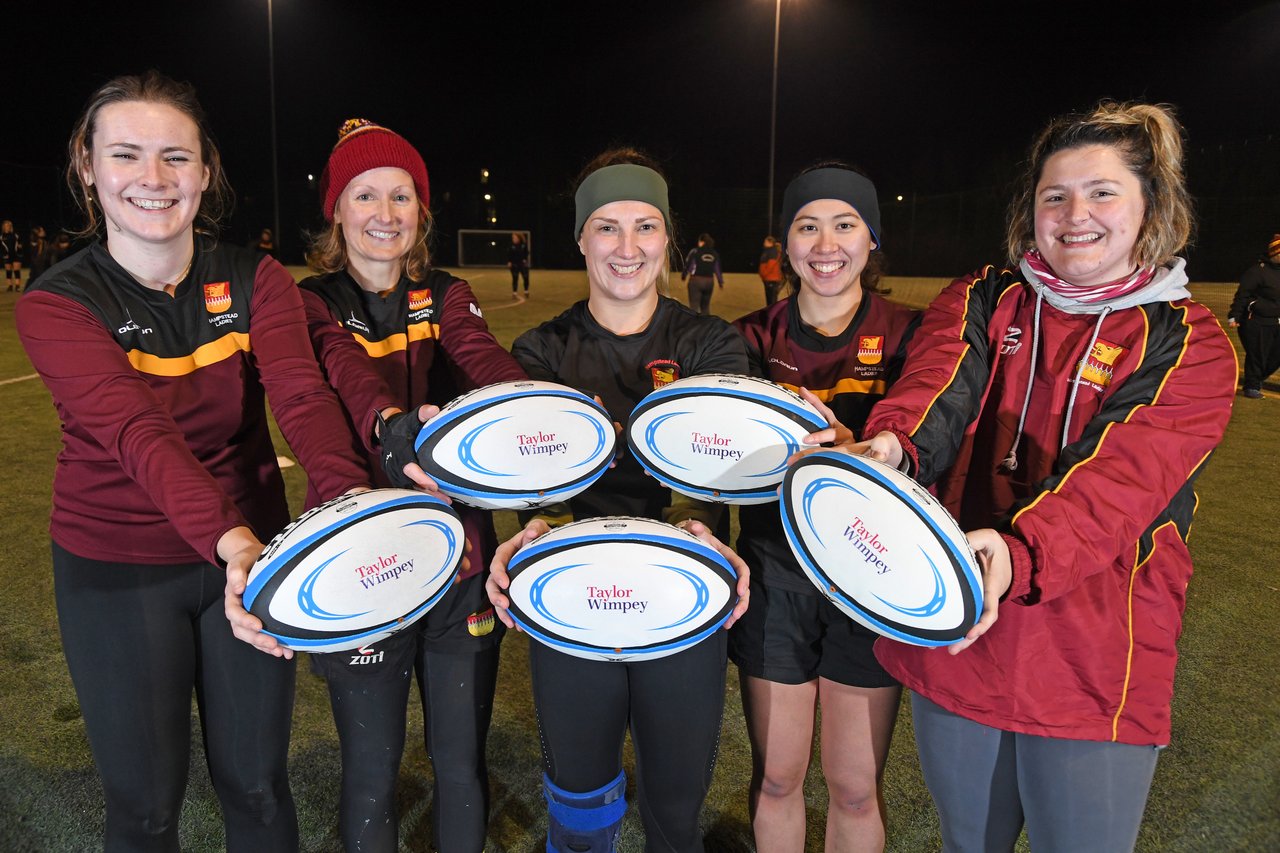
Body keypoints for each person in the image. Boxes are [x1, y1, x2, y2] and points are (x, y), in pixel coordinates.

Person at [833, 101, 1236, 852]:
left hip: (1093, 651)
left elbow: (1117, 484)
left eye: (1103, 191)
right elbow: (936, 386)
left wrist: (1016, 554)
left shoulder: (1192, 342)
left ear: (1151, 206)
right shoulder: (989, 294)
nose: (1075, 214)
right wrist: (890, 446)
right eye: (1055, 194)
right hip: (961, 629)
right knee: (967, 841)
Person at [15, 71, 373, 852]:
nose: (153, 179)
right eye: (126, 154)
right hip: (119, 564)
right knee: (145, 806)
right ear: (87, 166)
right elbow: (142, 437)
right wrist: (237, 542)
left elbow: (304, 402)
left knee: (256, 783)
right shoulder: (57, 302)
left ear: (205, 171)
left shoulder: (255, 276)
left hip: (250, 555)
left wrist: (347, 509)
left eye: (175, 157)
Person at [486, 148, 751, 853]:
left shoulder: (710, 342)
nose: (627, 248)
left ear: (669, 238)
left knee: (673, 812)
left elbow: (708, 472)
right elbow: (532, 479)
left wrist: (698, 525)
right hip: (572, 590)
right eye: (607, 227)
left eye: (645, 226)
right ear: (580, 237)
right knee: (578, 811)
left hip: (684, 594)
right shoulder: (541, 348)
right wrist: (532, 527)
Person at [299, 117, 526, 853]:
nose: (385, 214)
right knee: (372, 769)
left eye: (401, 196)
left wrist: (530, 405)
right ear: (338, 209)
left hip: (459, 559)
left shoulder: (447, 293)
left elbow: (478, 353)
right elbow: (342, 369)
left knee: (460, 761)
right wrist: (391, 425)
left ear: (421, 212)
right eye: (366, 195)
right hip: (361, 560)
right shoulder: (312, 301)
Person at [731, 163, 919, 851]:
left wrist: (851, 454)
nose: (825, 242)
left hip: (869, 579)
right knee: (778, 776)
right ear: (785, 242)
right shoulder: (749, 338)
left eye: (845, 224)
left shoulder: (912, 335)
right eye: (807, 225)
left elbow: (931, 444)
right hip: (776, 576)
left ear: (872, 239)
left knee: (855, 785)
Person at [1227, 233, 1280, 398]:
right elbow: (1243, 294)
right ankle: (1252, 387)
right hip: (1255, 321)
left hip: (1277, 322)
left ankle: (1256, 379)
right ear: (1275, 253)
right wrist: (1234, 315)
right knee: (1257, 355)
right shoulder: (1257, 272)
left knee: (1275, 357)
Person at [681, 232, 723, 315]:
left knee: (694, 306)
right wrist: (720, 281)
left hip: (696, 281)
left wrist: (684, 275)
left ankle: (694, 326)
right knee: (705, 307)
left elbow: (689, 264)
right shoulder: (714, 253)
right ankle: (706, 326)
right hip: (709, 282)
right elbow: (717, 269)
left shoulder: (695, 251)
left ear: (702, 242)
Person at [758, 234, 784, 306]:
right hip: (768, 278)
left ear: (770, 242)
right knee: (770, 300)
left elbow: (771, 266)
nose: (764, 243)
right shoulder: (769, 251)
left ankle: (773, 315)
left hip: (772, 279)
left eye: (765, 241)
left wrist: (763, 274)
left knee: (772, 301)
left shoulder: (772, 252)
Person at [508, 231, 530, 298]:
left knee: (525, 277)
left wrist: (525, 260)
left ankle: (526, 291)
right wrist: (509, 261)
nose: (513, 239)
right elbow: (509, 254)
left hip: (522, 264)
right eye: (513, 238)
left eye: (514, 237)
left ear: (519, 238)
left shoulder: (523, 245)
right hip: (514, 265)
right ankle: (514, 293)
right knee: (515, 278)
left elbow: (527, 253)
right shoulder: (511, 246)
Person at [2, 219, 23, 291]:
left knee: (16, 271)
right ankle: (10, 286)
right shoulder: (2, 236)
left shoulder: (15, 235)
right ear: (4, 227)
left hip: (16, 255)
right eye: (6, 226)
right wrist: (4, 254)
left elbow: (20, 244)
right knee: (8, 271)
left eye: (9, 226)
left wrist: (20, 247)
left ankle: (17, 286)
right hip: (7, 256)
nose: (8, 227)